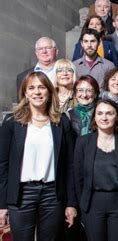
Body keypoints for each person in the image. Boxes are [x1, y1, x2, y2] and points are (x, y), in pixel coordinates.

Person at [0, 72, 77, 241]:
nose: (37, 92)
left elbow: (70, 165)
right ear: (25, 93)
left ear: (49, 92)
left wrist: (71, 203)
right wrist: (2, 204)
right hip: (21, 194)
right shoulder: (12, 122)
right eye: (32, 88)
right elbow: (2, 165)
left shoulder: (61, 122)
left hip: (52, 194)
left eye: (42, 87)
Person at [74, 99, 118, 241]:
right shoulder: (83, 142)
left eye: (109, 113)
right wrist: (81, 203)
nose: (104, 117)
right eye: (100, 113)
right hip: (93, 203)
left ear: (117, 117)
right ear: (95, 117)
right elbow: (78, 177)